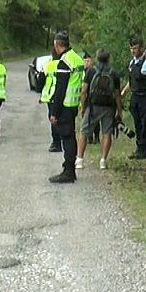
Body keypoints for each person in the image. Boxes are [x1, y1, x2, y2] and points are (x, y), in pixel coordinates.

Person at [47, 31, 86, 183]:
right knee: (71, 136)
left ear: (57, 45)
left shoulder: (64, 62)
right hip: (73, 103)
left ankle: (68, 171)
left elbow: (60, 89)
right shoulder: (77, 59)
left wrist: (53, 112)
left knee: (67, 138)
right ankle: (70, 169)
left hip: (64, 105)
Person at [80, 50, 122, 169]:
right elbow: (117, 94)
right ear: (109, 59)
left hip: (93, 106)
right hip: (108, 107)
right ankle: (103, 160)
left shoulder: (91, 71)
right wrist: (119, 111)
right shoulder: (113, 73)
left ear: (96, 58)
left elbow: (84, 91)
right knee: (107, 133)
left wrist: (83, 107)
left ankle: (79, 159)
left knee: (84, 131)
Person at [121, 36, 146, 160]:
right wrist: (123, 93)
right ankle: (138, 148)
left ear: (141, 48)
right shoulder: (132, 63)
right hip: (134, 97)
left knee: (145, 123)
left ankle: (143, 149)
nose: (133, 51)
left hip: (144, 97)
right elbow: (131, 81)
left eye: (135, 48)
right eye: (131, 48)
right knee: (137, 123)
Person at [41, 47, 62, 152]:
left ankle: (56, 143)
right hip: (62, 95)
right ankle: (62, 141)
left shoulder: (48, 65)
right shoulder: (64, 64)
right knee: (61, 119)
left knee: (53, 119)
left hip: (51, 96)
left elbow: (41, 79)